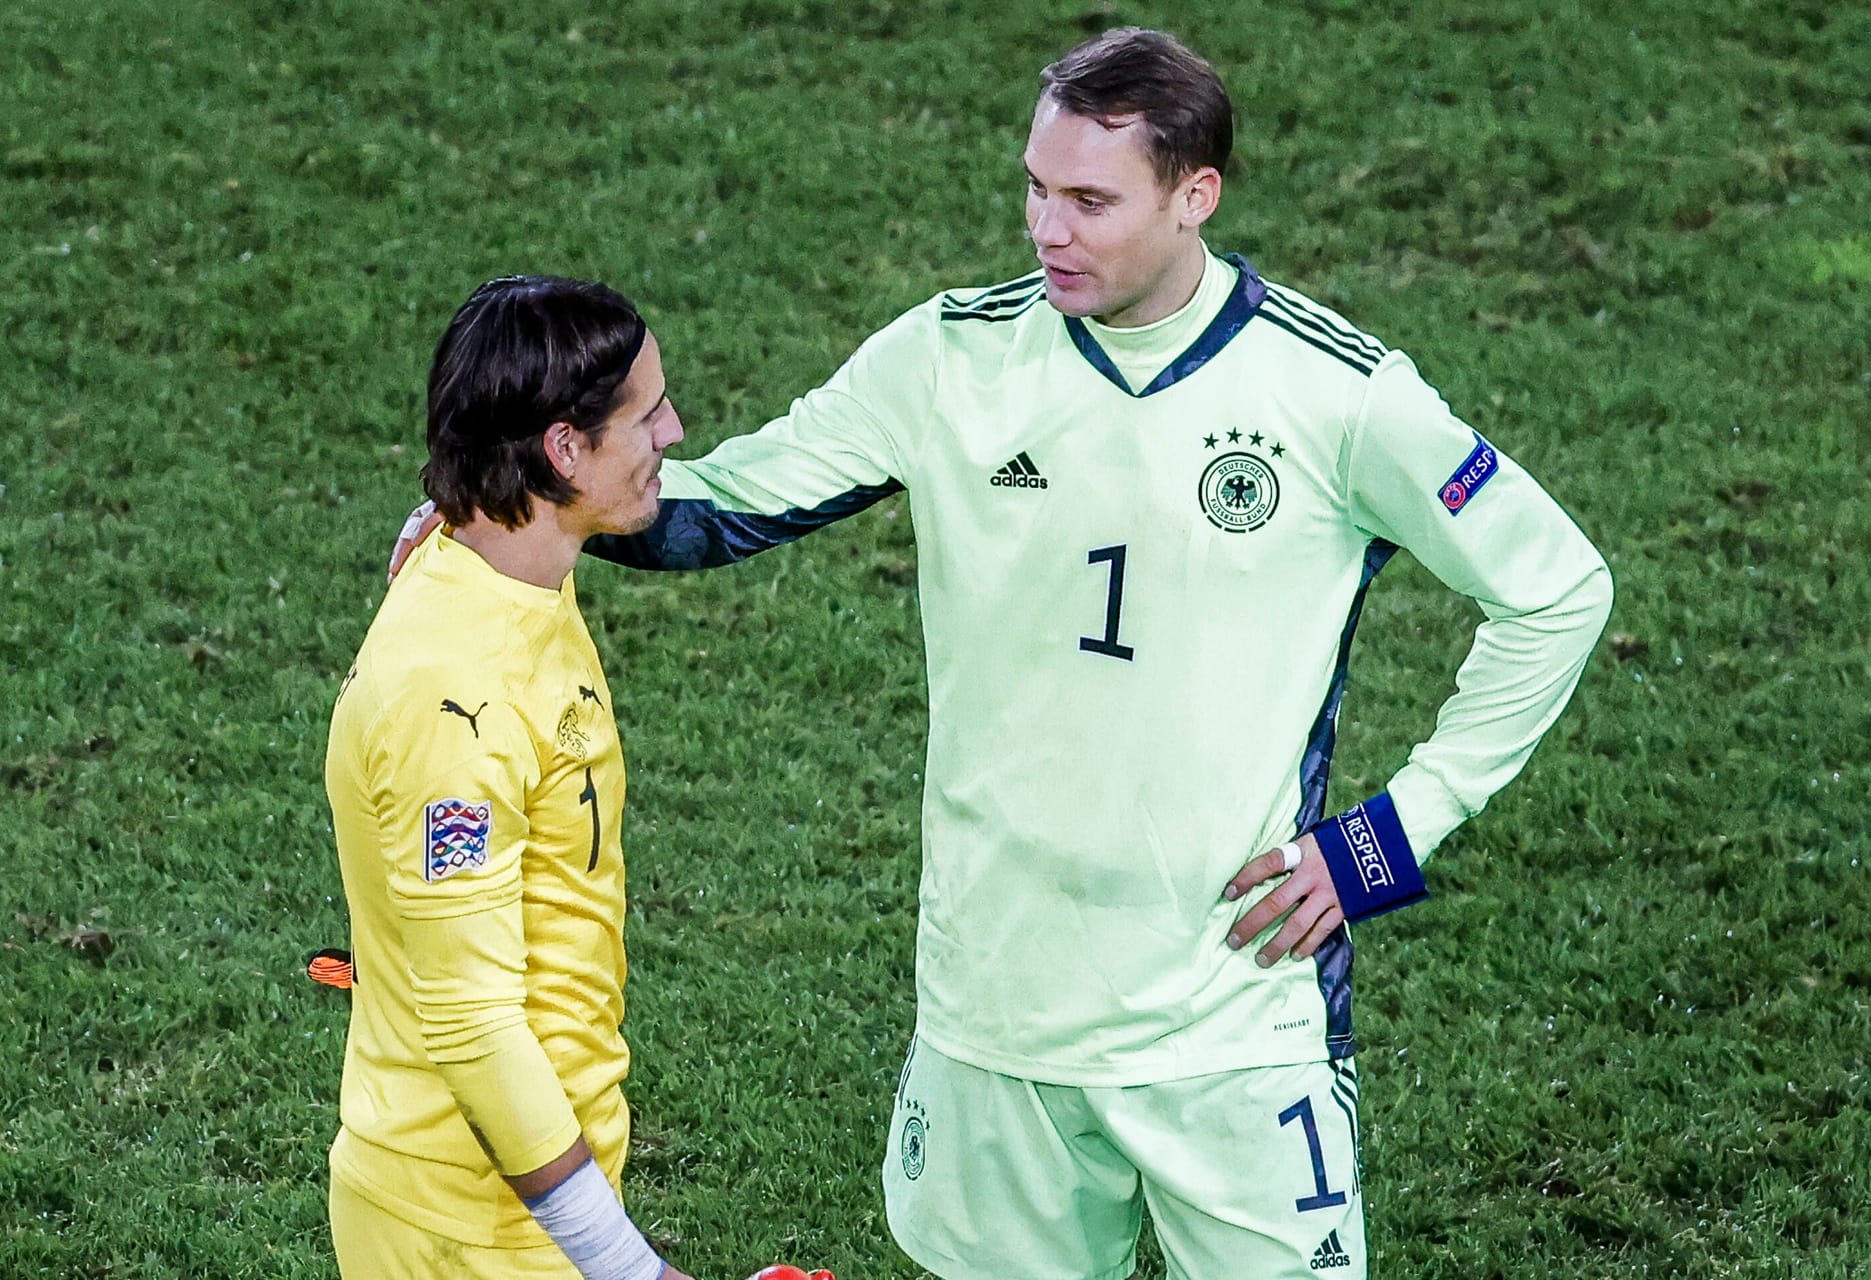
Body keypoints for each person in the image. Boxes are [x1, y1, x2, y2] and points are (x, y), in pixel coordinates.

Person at [392, 28, 1613, 1280]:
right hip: (998, 1016)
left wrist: (1387, 839)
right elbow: (717, 505)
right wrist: (498, 507)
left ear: (1197, 196)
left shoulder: (1336, 393)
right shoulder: (950, 358)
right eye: (1036, 187)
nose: (1047, 228)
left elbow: (1558, 588)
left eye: (1090, 200)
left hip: (1233, 1019)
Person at [327, 275, 698, 1280]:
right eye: (646, 411)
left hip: (520, 1202)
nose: (673, 428)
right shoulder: (455, 700)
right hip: (465, 1226)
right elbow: (473, 1024)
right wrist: (629, 1267)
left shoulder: (508, 568)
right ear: (563, 449)